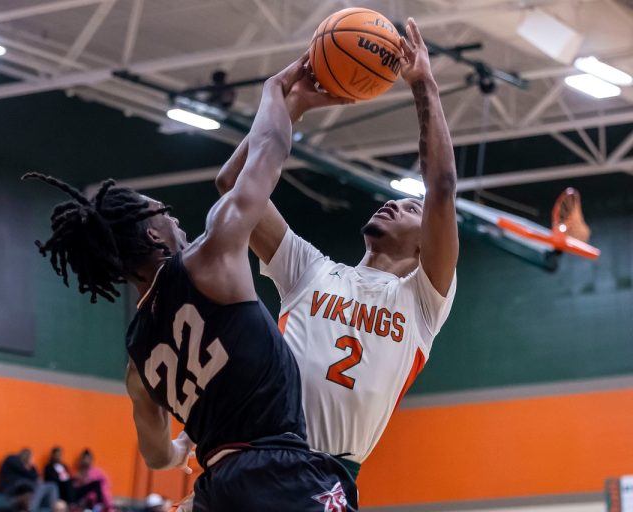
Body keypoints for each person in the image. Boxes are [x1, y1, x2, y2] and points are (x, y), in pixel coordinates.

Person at [25, 54, 357, 511]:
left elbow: (157, 454)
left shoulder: (138, 358)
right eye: (163, 211)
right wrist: (275, 95)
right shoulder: (208, 257)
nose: (174, 218)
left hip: (217, 488)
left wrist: (186, 447)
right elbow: (266, 158)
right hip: (277, 473)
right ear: (150, 233)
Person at [215, 18, 458, 480]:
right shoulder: (311, 269)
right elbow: (233, 187)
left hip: (326, 475)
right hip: (255, 453)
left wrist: (423, 84)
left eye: (409, 208)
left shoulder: (423, 302)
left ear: (429, 242)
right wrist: (292, 106)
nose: (392, 202)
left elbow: (442, 185)